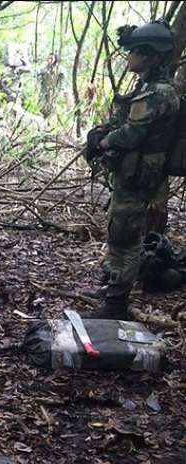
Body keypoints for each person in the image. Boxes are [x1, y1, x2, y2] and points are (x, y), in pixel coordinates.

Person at [83, 21, 179, 320]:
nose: (129, 58)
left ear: (150, 56)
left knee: (126, 237)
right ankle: (112, 287)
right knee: (117, 231)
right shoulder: (148, 88)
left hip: (139, 175)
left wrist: (103, 142)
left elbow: (132, 134)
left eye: (134, 52)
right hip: (131, 172)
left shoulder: (158, 94)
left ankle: (116, 305)